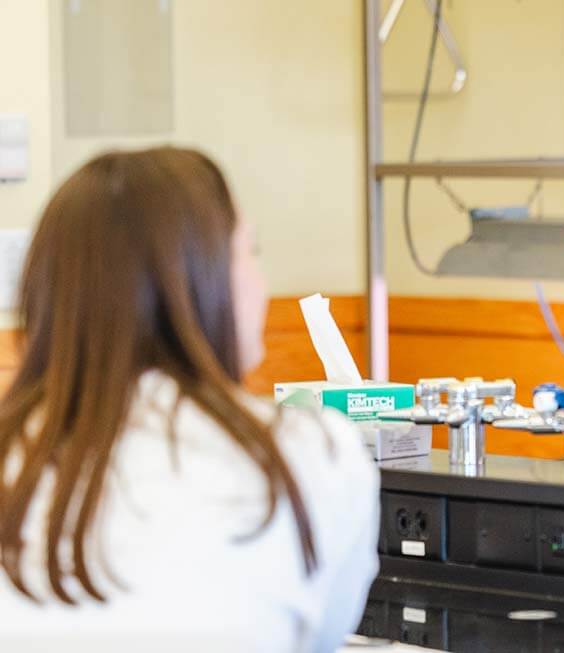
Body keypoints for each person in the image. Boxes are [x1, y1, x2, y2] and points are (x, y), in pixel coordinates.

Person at [0, 148, 379, 652]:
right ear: (207, 278)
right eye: (251, 252)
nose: (262, 283)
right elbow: (321, 635)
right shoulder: (312, 452)